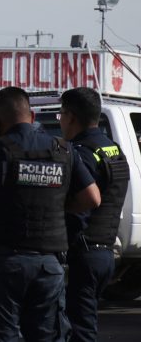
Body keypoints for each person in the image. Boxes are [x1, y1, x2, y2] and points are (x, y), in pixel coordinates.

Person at [0, 86, 101, 342]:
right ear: (32, 116)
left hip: (4, 266)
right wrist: (55, 205)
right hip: (48, 266)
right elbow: (92, 197)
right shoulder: (63, 150)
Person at [59, 87, 130, 342]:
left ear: (72, 117)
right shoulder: (113, 150)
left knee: (80, 330)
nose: (60, 121)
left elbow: (80, 210)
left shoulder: (81, 153)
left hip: (85, 252)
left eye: (61, 114)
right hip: (106, 251)